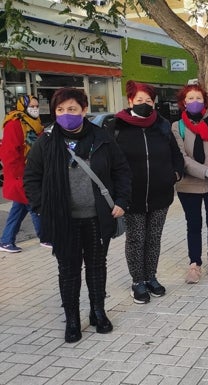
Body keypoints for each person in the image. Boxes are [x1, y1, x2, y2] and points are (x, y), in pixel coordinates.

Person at [23, 88, 132, 343]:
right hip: (64, 220)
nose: (65, 114)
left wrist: (121, 201)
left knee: (96, 267)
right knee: (68, 270)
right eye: (60, 110)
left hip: (97, 217)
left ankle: (98, 312)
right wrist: (42, 206)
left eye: (72, 109)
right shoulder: (47, 140)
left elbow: (122, 171)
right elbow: (31, 178)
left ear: (84, 110)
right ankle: (72, 319)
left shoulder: (101, 138)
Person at [108, 80, 185, 304]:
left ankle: (151, 277)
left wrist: (175, 175)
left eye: (148, 100)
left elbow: (176, 155)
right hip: (131, 197)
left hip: (160, 195)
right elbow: (108, 161)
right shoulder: (117, 126)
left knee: (154, 239)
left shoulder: (161, 124)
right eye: (139, 100)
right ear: (130, 101)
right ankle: (137, 282)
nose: (144, 104)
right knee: (136, 239)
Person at [172, 84, 208, 283]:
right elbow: (182, 158)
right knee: (193, 225)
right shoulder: (177, 127)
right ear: (184, 103)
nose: (195, 102)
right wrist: (205, 171)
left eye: (199, 98)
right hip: (188, 185)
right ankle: (194, 264)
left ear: (205, 101)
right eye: (190, 98)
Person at [0, 95, 50, 252]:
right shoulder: (14, 124)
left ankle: (6, 241)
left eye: (36, 106)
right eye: (32, 106)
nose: (35, 109)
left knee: (19, 209)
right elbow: (9, 153)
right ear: (22, 107)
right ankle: (47, 237)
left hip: (31, 174)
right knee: (35, 205)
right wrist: (22, 175)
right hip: (22, 176)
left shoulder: (36, 124)